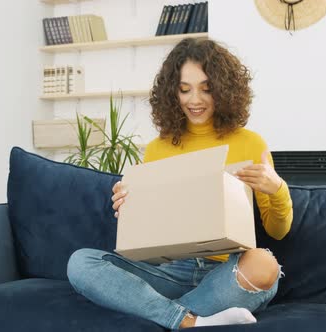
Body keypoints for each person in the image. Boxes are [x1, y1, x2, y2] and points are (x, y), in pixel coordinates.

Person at [67, 38, 293, 330]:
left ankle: (163, 313)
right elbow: (151, 242)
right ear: (172, 92)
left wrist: (277, 190)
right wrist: (130, 211)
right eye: (185, 90)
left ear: (224, 91)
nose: (194, 100)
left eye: (206, 89)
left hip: (226, 272)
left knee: (264, 264)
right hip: (170, 272)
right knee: (81, 262)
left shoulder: (250, 143)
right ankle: (189, 321)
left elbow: (277, 230)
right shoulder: (157, 149)